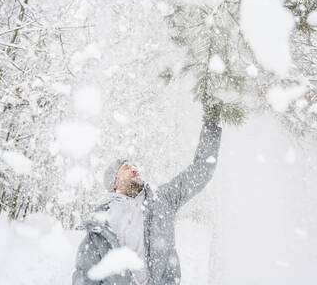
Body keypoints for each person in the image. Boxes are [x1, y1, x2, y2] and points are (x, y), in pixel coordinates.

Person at [72, 96, 223, 285]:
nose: (134, 169)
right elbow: (85, 276)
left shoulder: (162, 200)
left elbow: (201, 170)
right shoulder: (100, 225)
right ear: (115, 182)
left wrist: (211, 121)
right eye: (126, 167)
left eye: (134, 166)